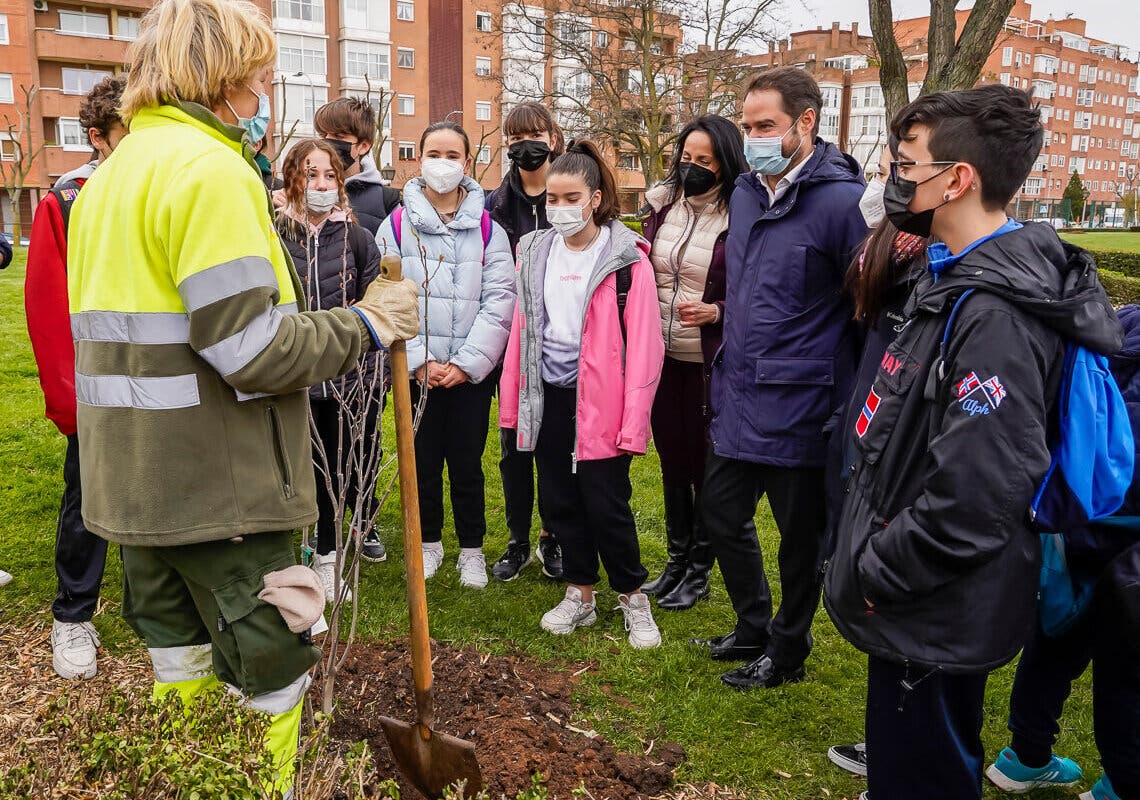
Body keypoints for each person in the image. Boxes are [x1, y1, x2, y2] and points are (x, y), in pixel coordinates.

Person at [65, 0, 418, 795]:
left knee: (181, 673)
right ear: (220, 72)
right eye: (259, 69)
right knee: (271, 676)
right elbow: (253, 351)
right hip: (222, 493)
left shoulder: (108, 176)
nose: (268, 83)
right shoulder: (212, 170)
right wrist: (367, 320)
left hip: (135, 487)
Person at [823, 85, 1122, 800]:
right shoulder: (952, 275)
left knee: (925, 772)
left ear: (957, 178)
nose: (892, 180)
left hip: (930, 601)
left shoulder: (995, 316)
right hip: (922, 597)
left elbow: (979, 492)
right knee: (914, 760)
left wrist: (878, 572)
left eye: (904, 164)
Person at [691, 67, 867, 688]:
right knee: (718, 511)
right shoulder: (743, 191)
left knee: (800, 543)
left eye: (766, 125)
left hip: (804, 404)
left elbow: (866, 308)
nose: (754, 136)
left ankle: (787, 652)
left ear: (805, 123)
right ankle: (752, 624)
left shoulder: (842, 203)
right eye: (748, 125)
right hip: (739, 391)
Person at [499, 139, 666, 649]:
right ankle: (580, 592)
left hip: (603, 402)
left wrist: (633, 421)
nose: (560, 209)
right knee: (559, 499)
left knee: (606, 500)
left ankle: (633, 596)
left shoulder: (625, 260)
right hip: (549, 396)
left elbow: (644, 347)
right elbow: (521, 331)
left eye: (571, 198)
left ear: (595, 199)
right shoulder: (533, 252)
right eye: (552, 199)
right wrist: (515, 403)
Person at [984, 303, 1140, 800]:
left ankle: (1026, 754)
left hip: (1076, 502)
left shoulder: (1117, 318)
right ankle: (1122, 780)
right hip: (1122, 519)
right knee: (1124, 662)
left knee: (1057, 630)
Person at [823, 144, 927, 782]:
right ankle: (890, 743)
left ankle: (909, 757)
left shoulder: (948, 271)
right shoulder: (892, 246)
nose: (894, 180)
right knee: (878, 605)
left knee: (908, 613)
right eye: (894, 165)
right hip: (867, 436)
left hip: (907, 462)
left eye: (908, 167)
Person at [377, 120, 515, 589]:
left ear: (468, 162)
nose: (443, 164)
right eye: (434, 153)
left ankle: (472, 549)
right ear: (418, 158)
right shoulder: (394, 227)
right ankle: (429, 542)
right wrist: (418, 361)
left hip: (467, 376)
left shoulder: (488, 229)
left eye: (452, 155)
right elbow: (386, 298)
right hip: (416, 372)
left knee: (467, 463)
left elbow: (500, 301)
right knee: (423, 461)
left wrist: (466, 364)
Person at [25, 74, 127, 680]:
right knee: (88, 497)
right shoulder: (65, 199)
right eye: (127, 132)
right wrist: (69, 401)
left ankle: (162, 614)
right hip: (93, 385)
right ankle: (73, 616)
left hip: (160, 381)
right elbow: (45, 306)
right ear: (96, 137)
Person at [639, 114, 745, 612]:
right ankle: (675, 561)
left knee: (705, 466)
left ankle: (699, 572)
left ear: (725, 162)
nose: (693, 168)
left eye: (705, 160)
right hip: (662, 359)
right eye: (686, 158)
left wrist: (718, 311)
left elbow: (755, 288)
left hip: (708, 360)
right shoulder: (663, 208)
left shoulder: (742, 213)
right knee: (672, 462)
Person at [276, 138, 385, 598]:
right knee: (295, 471)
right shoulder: (275, 235)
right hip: (292, 380)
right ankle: (292, 552)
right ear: (292, 179)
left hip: (347, 381)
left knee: (340, 472)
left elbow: (375, 306)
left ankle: (329, 556)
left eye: (329, 176)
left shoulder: (357, 239)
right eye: (309, 173)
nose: (320, 184)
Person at [486, 101, 565, 583]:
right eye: (516, 138)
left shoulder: (569, 194)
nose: (527, 144)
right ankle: (517, 538)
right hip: (513, 341)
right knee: (514, 445)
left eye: (535, 134)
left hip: (561, 338)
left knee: (555, 445)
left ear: (553, 137)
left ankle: (552, 537)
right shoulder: (496, 205)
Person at [314, 97, 401, 234]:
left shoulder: (386, 200)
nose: (327, 142)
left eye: (339, 136)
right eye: (323, 135)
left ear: (363, 146)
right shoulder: (301, 191)